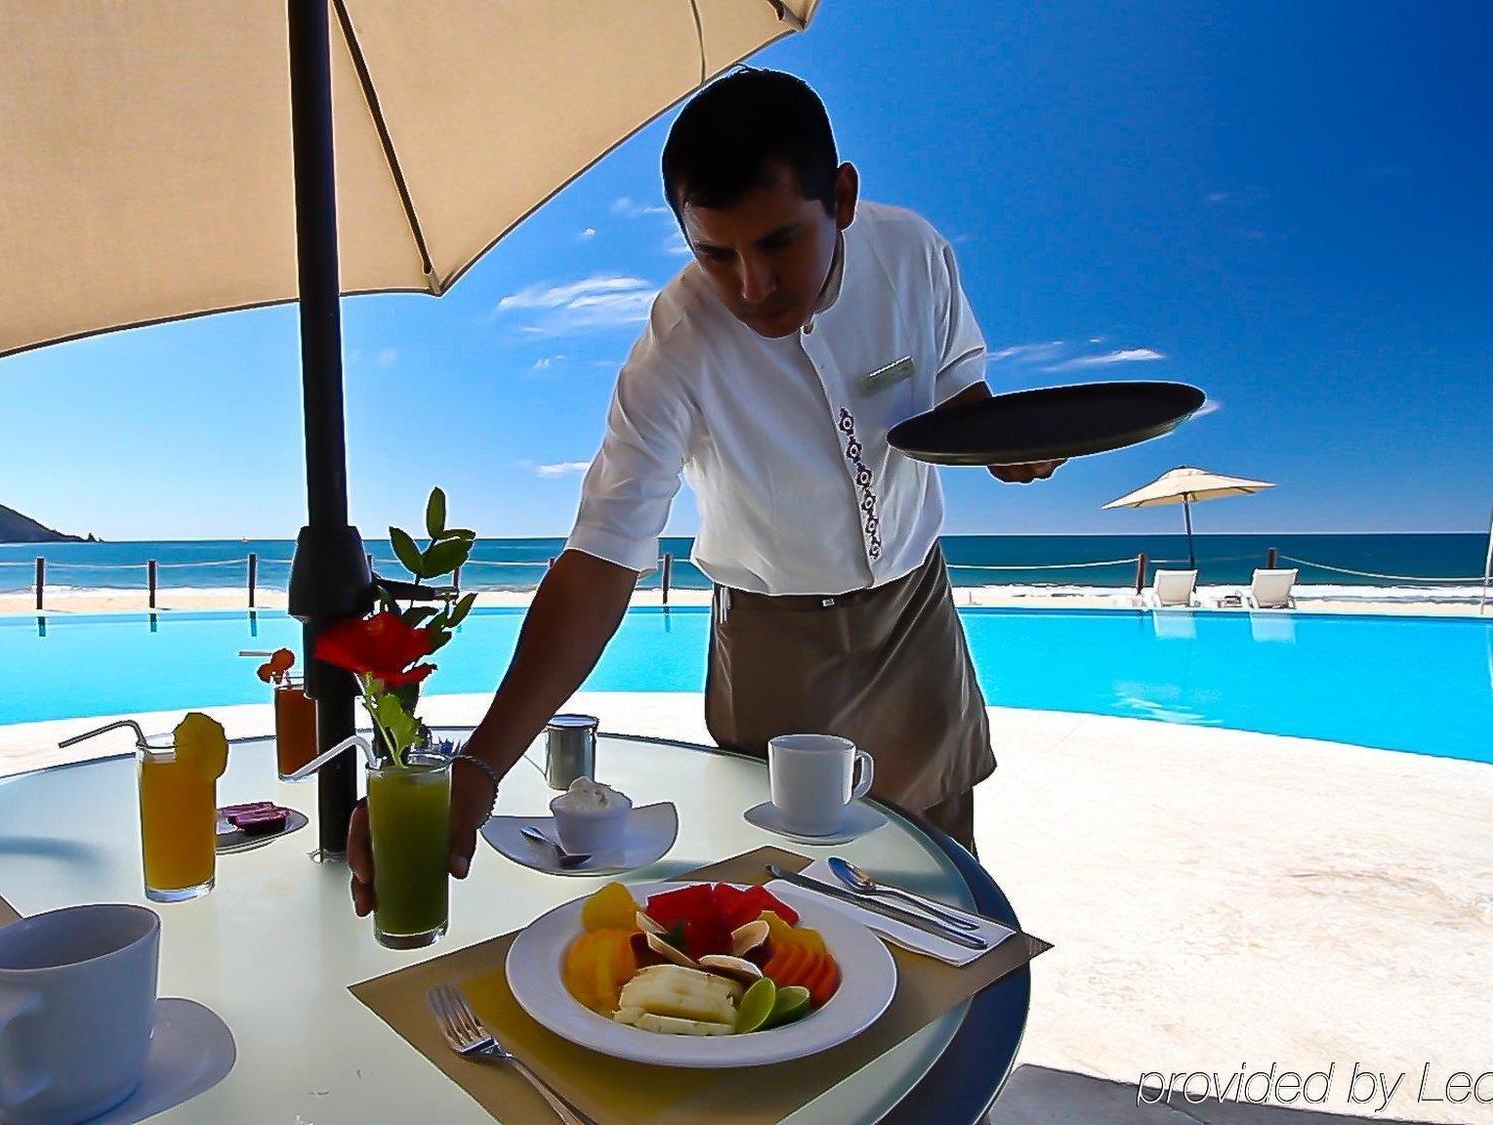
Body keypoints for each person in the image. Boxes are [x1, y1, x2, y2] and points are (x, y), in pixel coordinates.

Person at [348, 68, 1059, 915]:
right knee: (792, 905)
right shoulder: (678, 342)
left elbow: (956, 394)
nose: (752, 286)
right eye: (714, 254)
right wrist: (477, 766)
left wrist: (1012, 445)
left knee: (942, 885)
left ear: (842, 196)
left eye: (778, 242)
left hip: (915, 615)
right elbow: (600, 560)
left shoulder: (915, 254)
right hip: (773, 641)